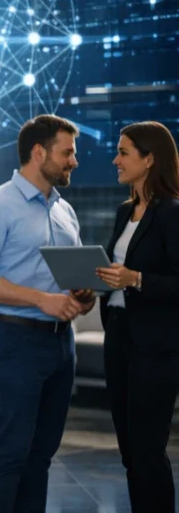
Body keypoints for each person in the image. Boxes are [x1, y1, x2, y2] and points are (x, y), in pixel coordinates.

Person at [0, 115, 96, 513]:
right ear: (39, 152)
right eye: (67, 152)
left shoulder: (64, 211)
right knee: (10, 453)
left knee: (41, 456)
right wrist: (42, 300)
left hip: (61, 345)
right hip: (14, 341)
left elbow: (72, 281)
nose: (74, 161)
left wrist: (83, 296)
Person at [95, 121, 179, 512]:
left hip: (155, 347)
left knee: (147, 449)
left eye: (124, 152)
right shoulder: (124, 211)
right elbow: (120, 273)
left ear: (149, 159)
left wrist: (137, 279)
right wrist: (97, 283)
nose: (115, 158)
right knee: (129, 450)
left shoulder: (172, 214)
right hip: (119, 335)